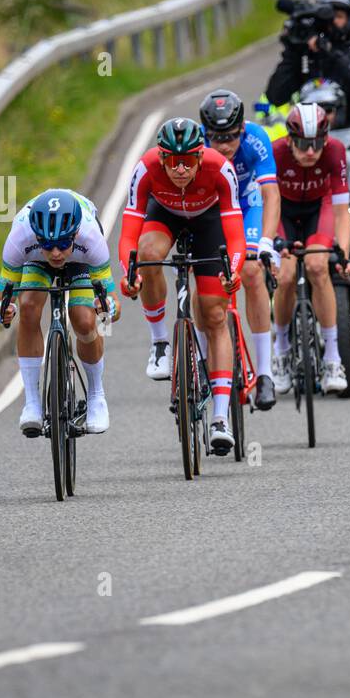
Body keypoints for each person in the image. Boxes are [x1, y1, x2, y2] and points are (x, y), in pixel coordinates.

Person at [118, 117, 244, 455]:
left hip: (209, 222)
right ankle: (160, 342)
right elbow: (130, 228)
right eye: (172, 162)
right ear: (161, 159)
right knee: (147, 254)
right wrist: (130, 272)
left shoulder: (220, 168)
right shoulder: (145, 168)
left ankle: (220, 418)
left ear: (200, 157)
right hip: (166, 215)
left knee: (215, 315)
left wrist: (233, 271)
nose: (180, 170)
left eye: (187, 161)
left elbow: (234, 233)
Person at [0, 189, 119, 436]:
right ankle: (31, 403)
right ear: (37, 237)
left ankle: (96, 396)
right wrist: (2, 311)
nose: (55, 253)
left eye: (62, 244)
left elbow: (113, 305)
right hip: (34, 261)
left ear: (75, 234)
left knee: (84, 319)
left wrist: (108, 309)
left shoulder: (91, 238)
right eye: (48, 245)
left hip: (81, 260)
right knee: (28, 307)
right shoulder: (20, 237)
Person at [199, 89, 279, 410]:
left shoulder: (257, 138)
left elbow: (270, 194)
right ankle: (206, 363)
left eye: (232, 136)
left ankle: (264, 373)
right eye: (217, 138)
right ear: (206, 134)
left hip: (247, 205)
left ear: (242, 128)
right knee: (203, 277)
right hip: (211, 208)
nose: (226, 145)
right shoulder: (195, 147)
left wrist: (267, 244)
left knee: (250, 269)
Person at [271, 103, 350, 394]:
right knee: (285, 276)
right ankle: (280, 350)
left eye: (318, 143)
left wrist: (343, 254)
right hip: (282, 212)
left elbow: (343, 213)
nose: (311, 151)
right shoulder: (275, 152)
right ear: (290, 140)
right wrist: (270, 245)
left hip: (320, 209)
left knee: (319, 267)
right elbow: (265, 203)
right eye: (304, 144)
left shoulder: (335, 151)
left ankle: (333, 358)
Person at [265, 0, 350, 136]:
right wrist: (293, 52)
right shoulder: (307, 53)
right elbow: (275, 96)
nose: (332, 23)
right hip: (307, 143)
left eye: (338, 16)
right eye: (326, 18)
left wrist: (332, 54)